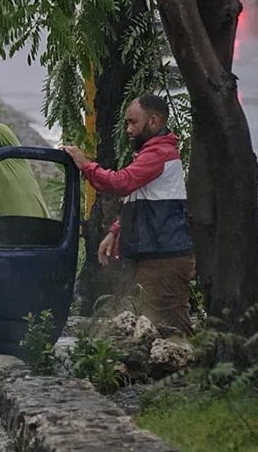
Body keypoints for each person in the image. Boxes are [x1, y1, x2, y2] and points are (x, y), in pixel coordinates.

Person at [63, 94, 194, 336]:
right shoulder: (152, 154)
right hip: (156, 256)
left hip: (163, 258)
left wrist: (84, 165)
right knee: (157, 327)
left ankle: (195, 370)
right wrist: (115, 232)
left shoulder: (159, 154)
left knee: (172, 329)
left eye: (133, 122)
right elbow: (141, 201)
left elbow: (121, 183)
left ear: (154, 121)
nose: (128, 130)